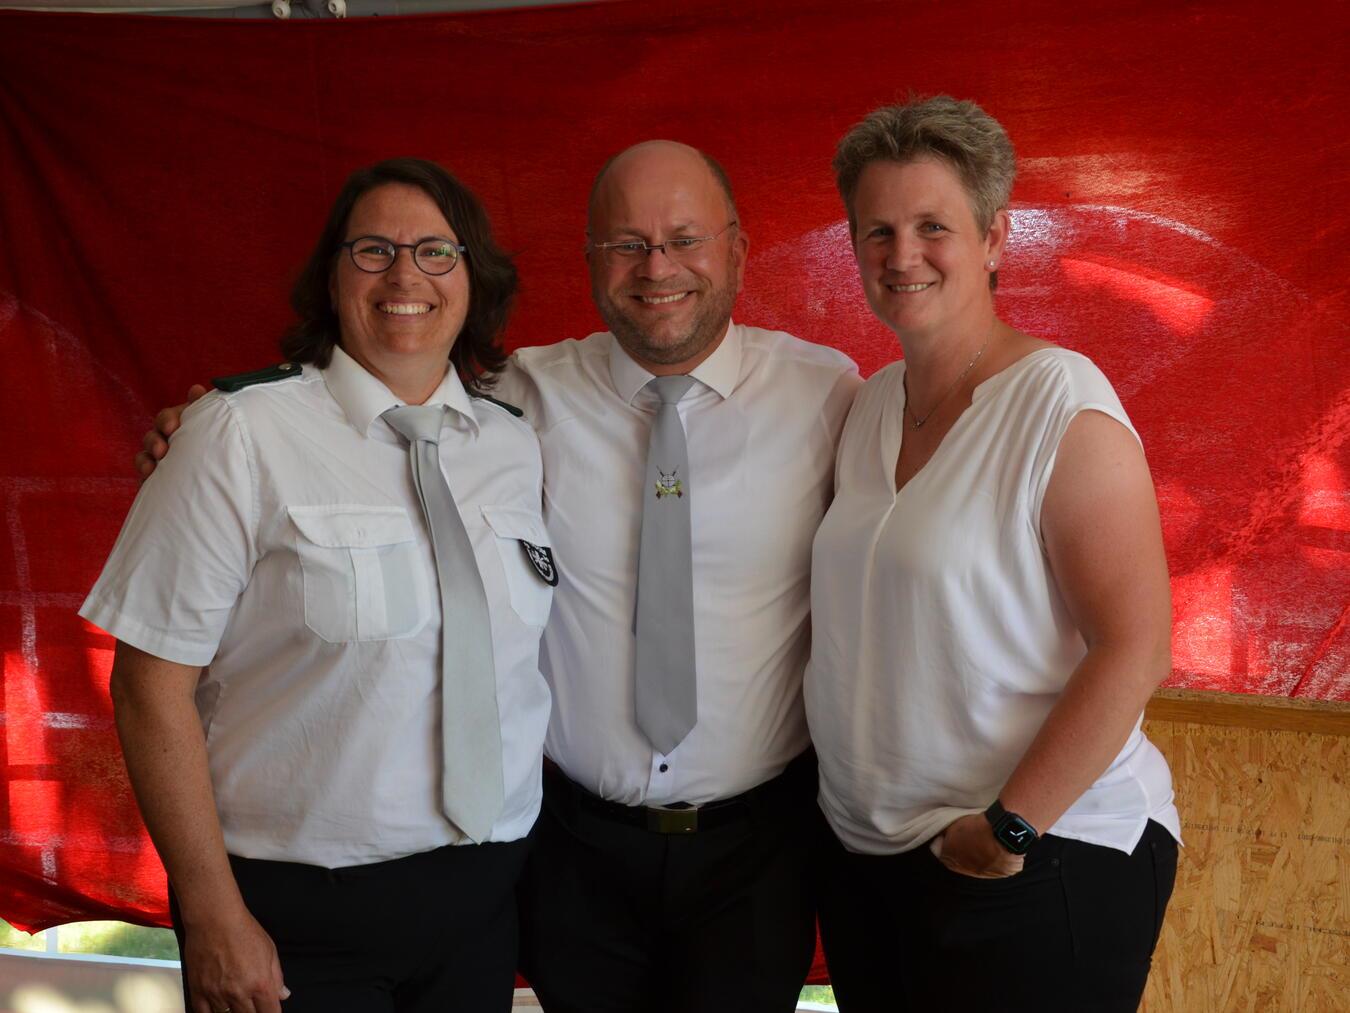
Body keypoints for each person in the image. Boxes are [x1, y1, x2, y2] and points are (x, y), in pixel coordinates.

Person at [137, 140, 861, 1013]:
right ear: (591, 261)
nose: (656, 267)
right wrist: (196, 426)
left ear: (739, 248)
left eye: (684, 239)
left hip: (752, 850)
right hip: (567, 852)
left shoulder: (830, 395)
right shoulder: (524, 397)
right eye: (625, 243)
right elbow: (155, 678)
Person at [85, 157, 553, 1013]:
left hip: (481, 908)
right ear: (331, 278)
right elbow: (150, 687)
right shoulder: (237, 433)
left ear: (473, 278)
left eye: (435, 251)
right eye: (372, 250)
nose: (405, 274)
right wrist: (214, 916)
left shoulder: (514, 442)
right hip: (293, 920)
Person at [804, 96, 1180, 1011]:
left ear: (994, 238)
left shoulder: (1060, 402)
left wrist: (1010, 827)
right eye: (877, 230)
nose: (902, 255)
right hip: (875, 862)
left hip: (1036, 858)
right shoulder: (869, 406)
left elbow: (1135, 646)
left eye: (934, 226)